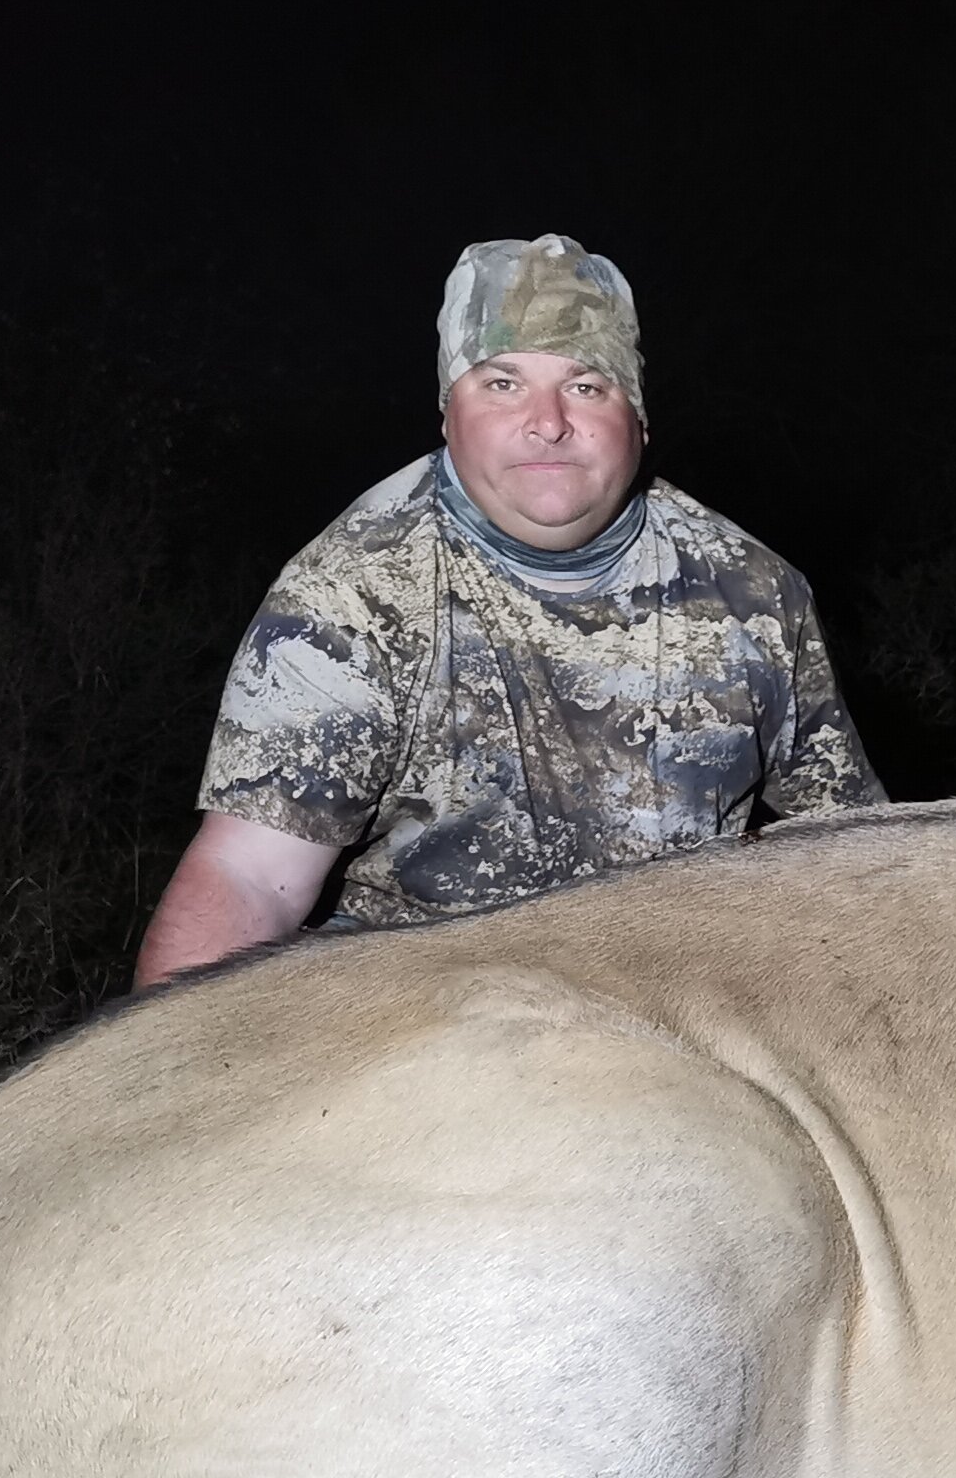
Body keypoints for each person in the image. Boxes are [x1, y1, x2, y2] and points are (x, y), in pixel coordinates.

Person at [135, 234, 879, 985]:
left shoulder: (755, 592)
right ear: (447, 415)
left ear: (640, 422)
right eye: (501, 383)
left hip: (676, 1010)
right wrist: (168, 1086)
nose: (548, 421)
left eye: (588, 385)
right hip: (422, 1022)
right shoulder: (352, 593)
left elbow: (853, 857)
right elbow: (252, 877)